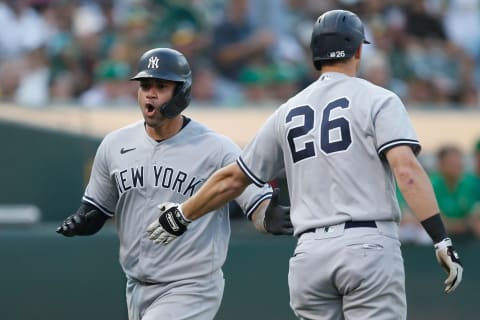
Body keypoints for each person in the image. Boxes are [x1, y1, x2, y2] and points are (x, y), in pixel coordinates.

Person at [146, 10, 464, 320]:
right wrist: (440, 237)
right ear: (358, 50)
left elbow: (233, 178)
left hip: (309, 253)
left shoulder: (288, 110)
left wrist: (182, 214)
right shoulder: (378, 99)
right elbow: (406, 172)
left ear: (315, 54)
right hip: (367, 244)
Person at [56, 47, 293, 320]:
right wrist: (82, 220)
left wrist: (267, 216)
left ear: (181, 94)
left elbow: (256, 200)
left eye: (161, 86)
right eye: (145, 85)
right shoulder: (114, 144)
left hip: (191, 285)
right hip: (135, 284)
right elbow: (97, 209)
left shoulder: (216, 147)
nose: (150, 93)